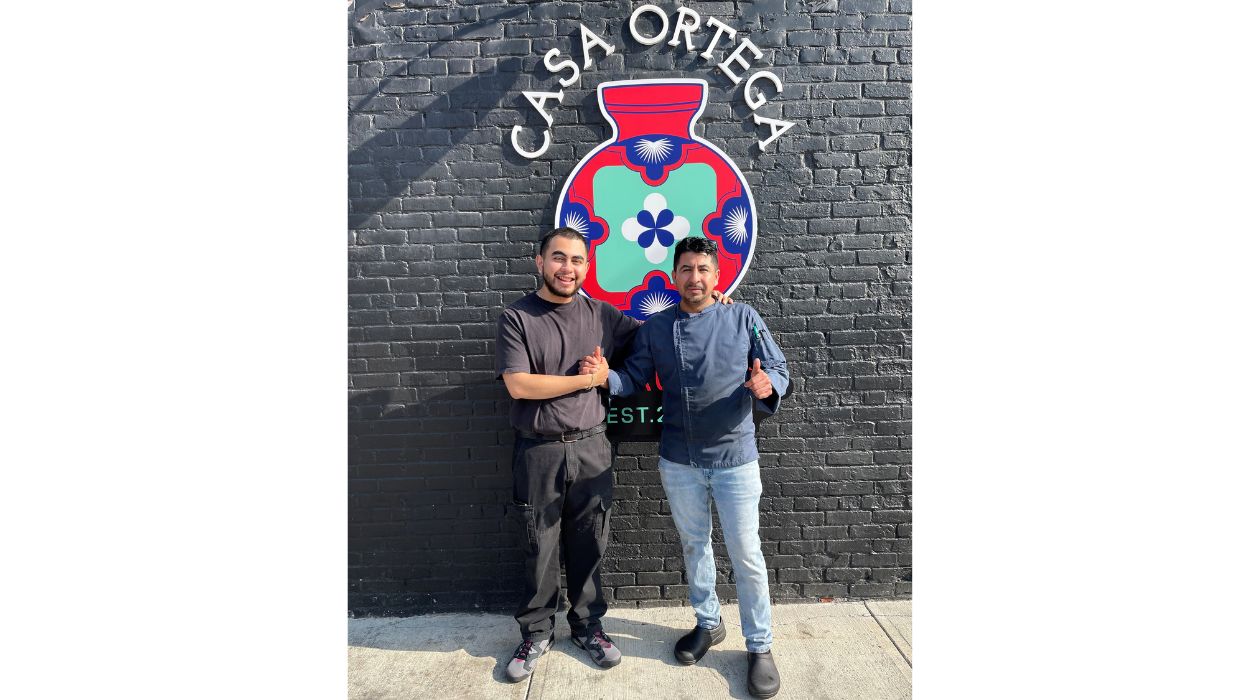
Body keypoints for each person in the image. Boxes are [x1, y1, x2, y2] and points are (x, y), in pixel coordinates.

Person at [494, 226, 733, 682]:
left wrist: (709, 304)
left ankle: (588, 628)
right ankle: (537, 633)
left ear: (587, 267)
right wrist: (586, 381)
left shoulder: (603, 315)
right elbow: (520, 385)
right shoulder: (518, 317)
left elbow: (662, 334)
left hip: (592, 446)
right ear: (540, 263)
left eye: (577, 260)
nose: (568, 268)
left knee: (589, 542)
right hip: (539, 451)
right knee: (538, 546)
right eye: (559, 258)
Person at [581, 236, 790, 699]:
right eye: (686, 269)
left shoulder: (743, 317)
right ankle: (708, 623)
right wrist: (603, 377)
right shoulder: (656, 330)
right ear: (674, 275)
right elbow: (632, 377)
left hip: (735, 459)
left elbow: (779, 368)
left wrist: (766, 382)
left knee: (746, 554)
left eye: (703, 270)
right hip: (679, 460)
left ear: (717, 277)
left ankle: (759, 645)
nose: (694, 278)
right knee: (695, 547)